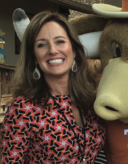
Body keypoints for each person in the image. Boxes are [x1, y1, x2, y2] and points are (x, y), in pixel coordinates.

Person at [1, 11, 106, 163]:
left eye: (60, 41)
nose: (52, 50)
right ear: (34, 57)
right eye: (41, 44)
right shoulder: (23, 109)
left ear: (74, 50)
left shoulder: (91, 101)